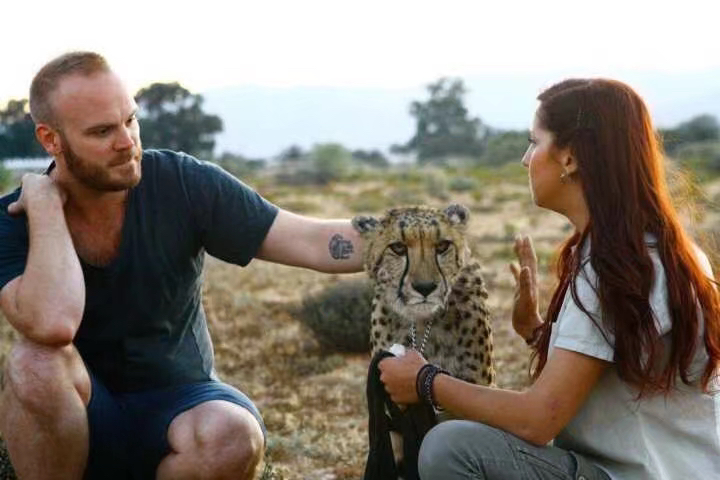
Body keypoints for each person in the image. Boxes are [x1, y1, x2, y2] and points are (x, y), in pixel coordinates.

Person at [0, 51, 364, 480]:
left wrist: (417, 236)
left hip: (182, 401)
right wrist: (46, 209)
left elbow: (313, 242)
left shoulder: (182, 183)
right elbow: (53, 324)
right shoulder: (12, 221)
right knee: (34, 364)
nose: (126, 142)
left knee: (232, 433)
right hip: (80, 417)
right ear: (51, 140)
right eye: (102, 131)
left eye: (130, 121)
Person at [378, 78, 720, 479]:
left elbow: (538, 420)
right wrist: (537, 331)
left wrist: (425, 380)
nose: (526, 159)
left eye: (534, 142)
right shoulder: (653, 253)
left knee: (451, 447)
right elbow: (618, 362)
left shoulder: (616, 270)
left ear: (569, 158)